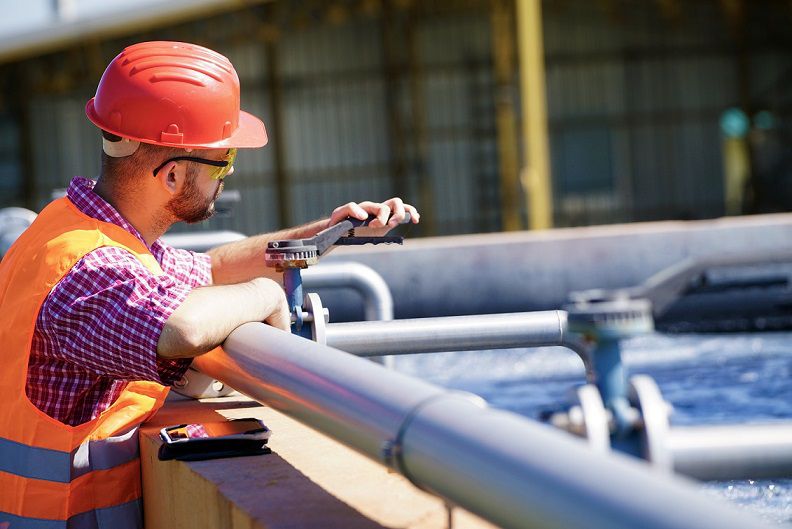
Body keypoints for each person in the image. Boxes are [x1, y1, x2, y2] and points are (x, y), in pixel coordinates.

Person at [0, 41, 418, 528]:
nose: (228, 174)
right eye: (225, 161)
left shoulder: (77, 229)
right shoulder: (89, 269)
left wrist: (327, 232)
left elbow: (213, 269)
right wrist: (265, 295)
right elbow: (181, 329)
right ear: (174, 174)